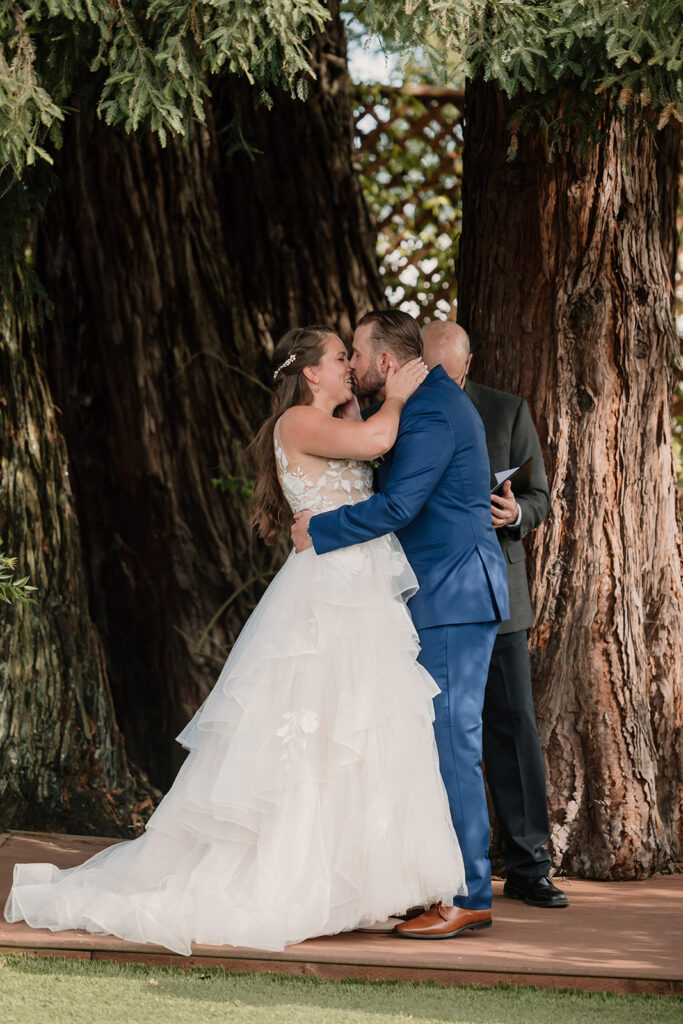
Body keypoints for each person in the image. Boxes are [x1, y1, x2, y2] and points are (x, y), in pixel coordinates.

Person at [4, 325, 467, 955]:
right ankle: (289, 877)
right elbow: (380, 439)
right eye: (340, 359)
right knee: (309, 736)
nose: (350, 367)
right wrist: (399, 395)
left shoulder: (330, 418)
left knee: (356, 732)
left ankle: (349, 881)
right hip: (326, 597)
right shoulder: (299, 424)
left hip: (361, 596)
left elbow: (370, 459)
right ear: (311, 374)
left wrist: (368, 406)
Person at [292, 310, 510, 939]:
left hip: (455, 593)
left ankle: (469, 895)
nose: (353, 365)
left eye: (357, 353)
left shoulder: (434, 409)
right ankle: (442, 884)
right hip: (442, 594)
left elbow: (400, 505)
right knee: (431, 745)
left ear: (385, 362)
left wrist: (319, 532)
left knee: (452, 744)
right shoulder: (421, 402)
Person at [421, 320, 568, 909]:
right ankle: (441, 866)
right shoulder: (401, 411)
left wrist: (515, 514)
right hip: (431, 598)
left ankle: (530, 864)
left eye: (449, 373)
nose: (440, 383)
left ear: (468, 365)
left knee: (511, 726)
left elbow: (539, 496)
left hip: (497, 593)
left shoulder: (506, 413)